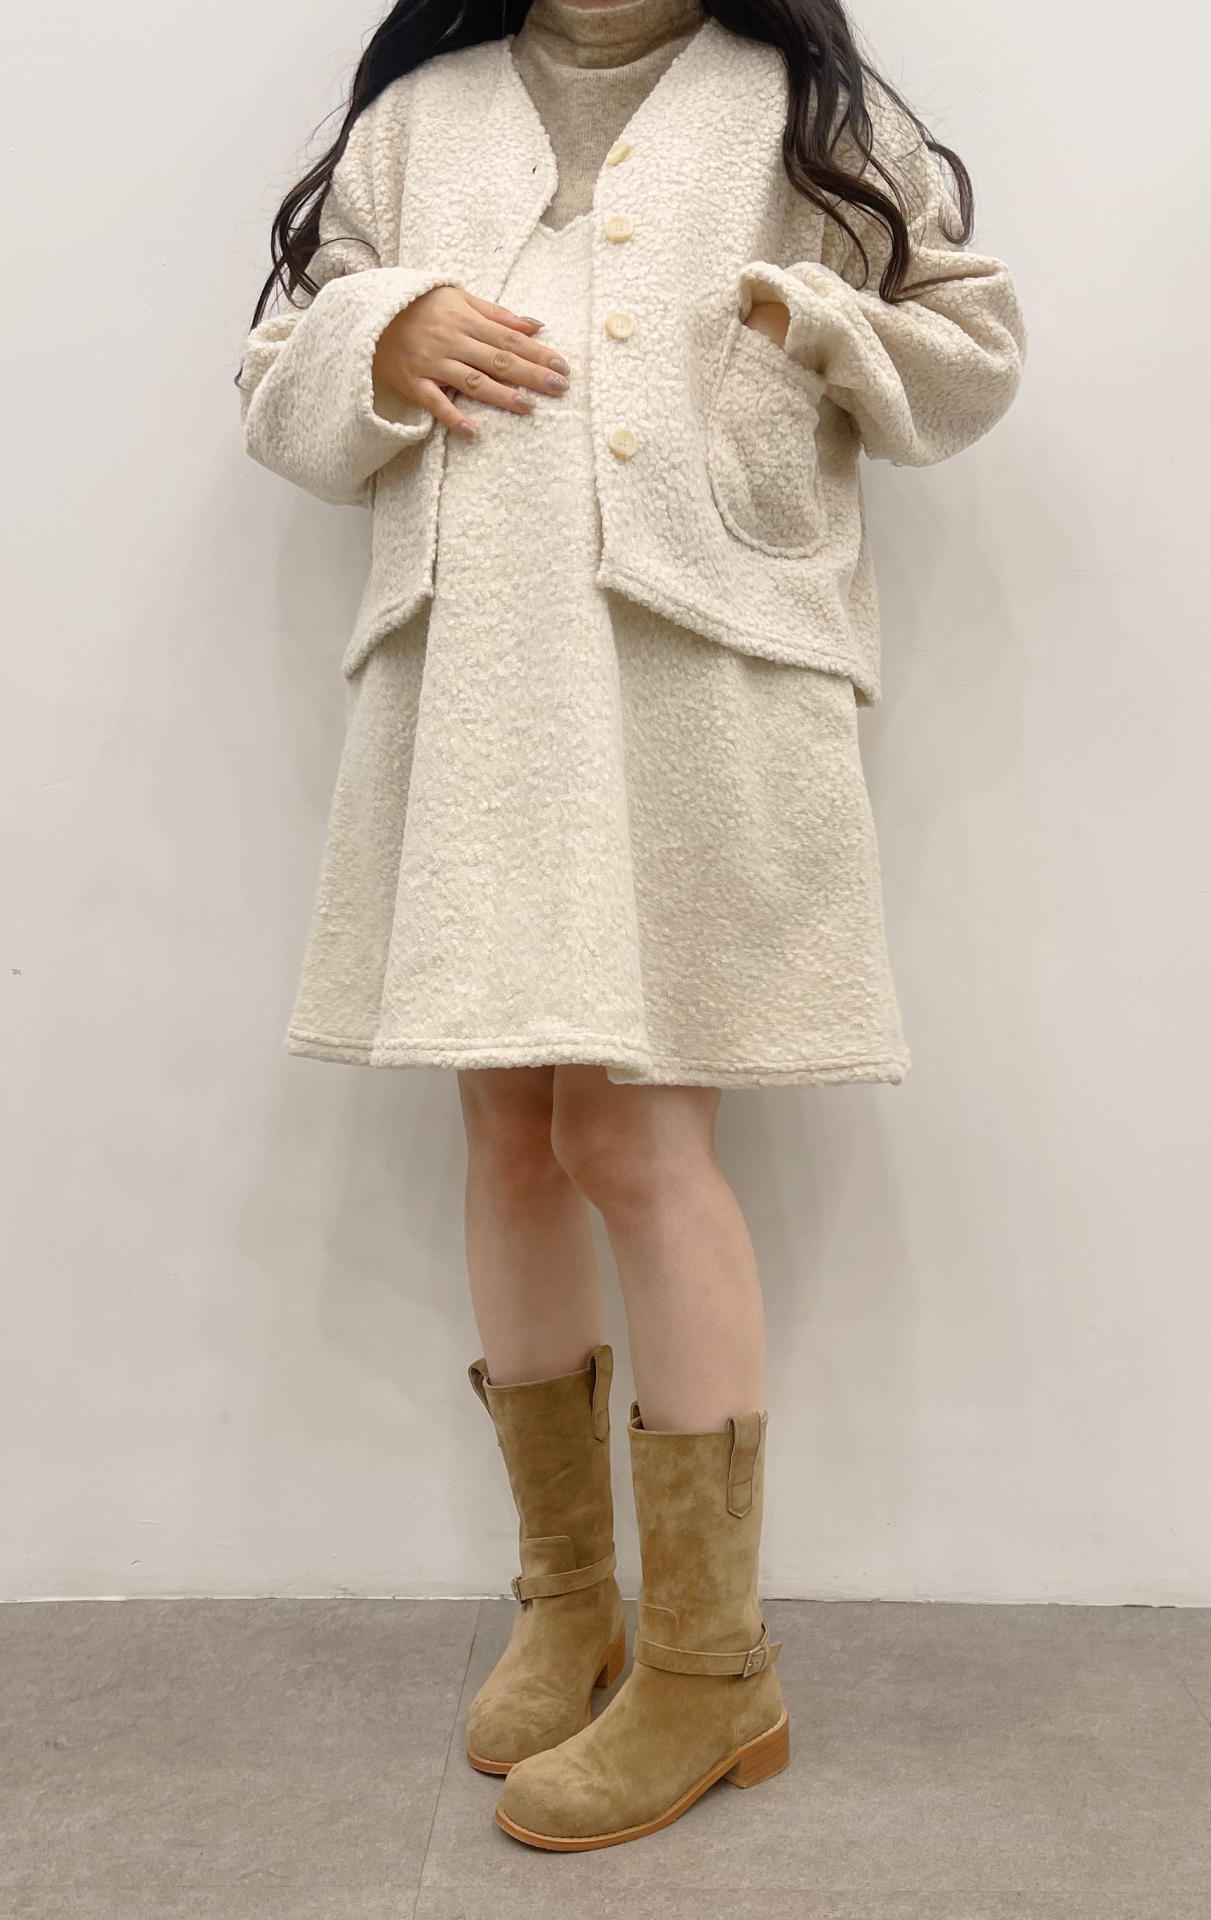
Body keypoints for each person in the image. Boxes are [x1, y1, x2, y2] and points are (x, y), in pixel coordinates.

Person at [237, 0, 1023, 1852]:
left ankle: (710, 1663)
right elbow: (276, 377)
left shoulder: (806, 107)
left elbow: (972, 354)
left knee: (638, 1137)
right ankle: (571, 1602)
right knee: (509, 1128)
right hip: (478, 686)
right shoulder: (420, 115)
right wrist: (377, 333)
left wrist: (812, 324)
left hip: (693, 686)